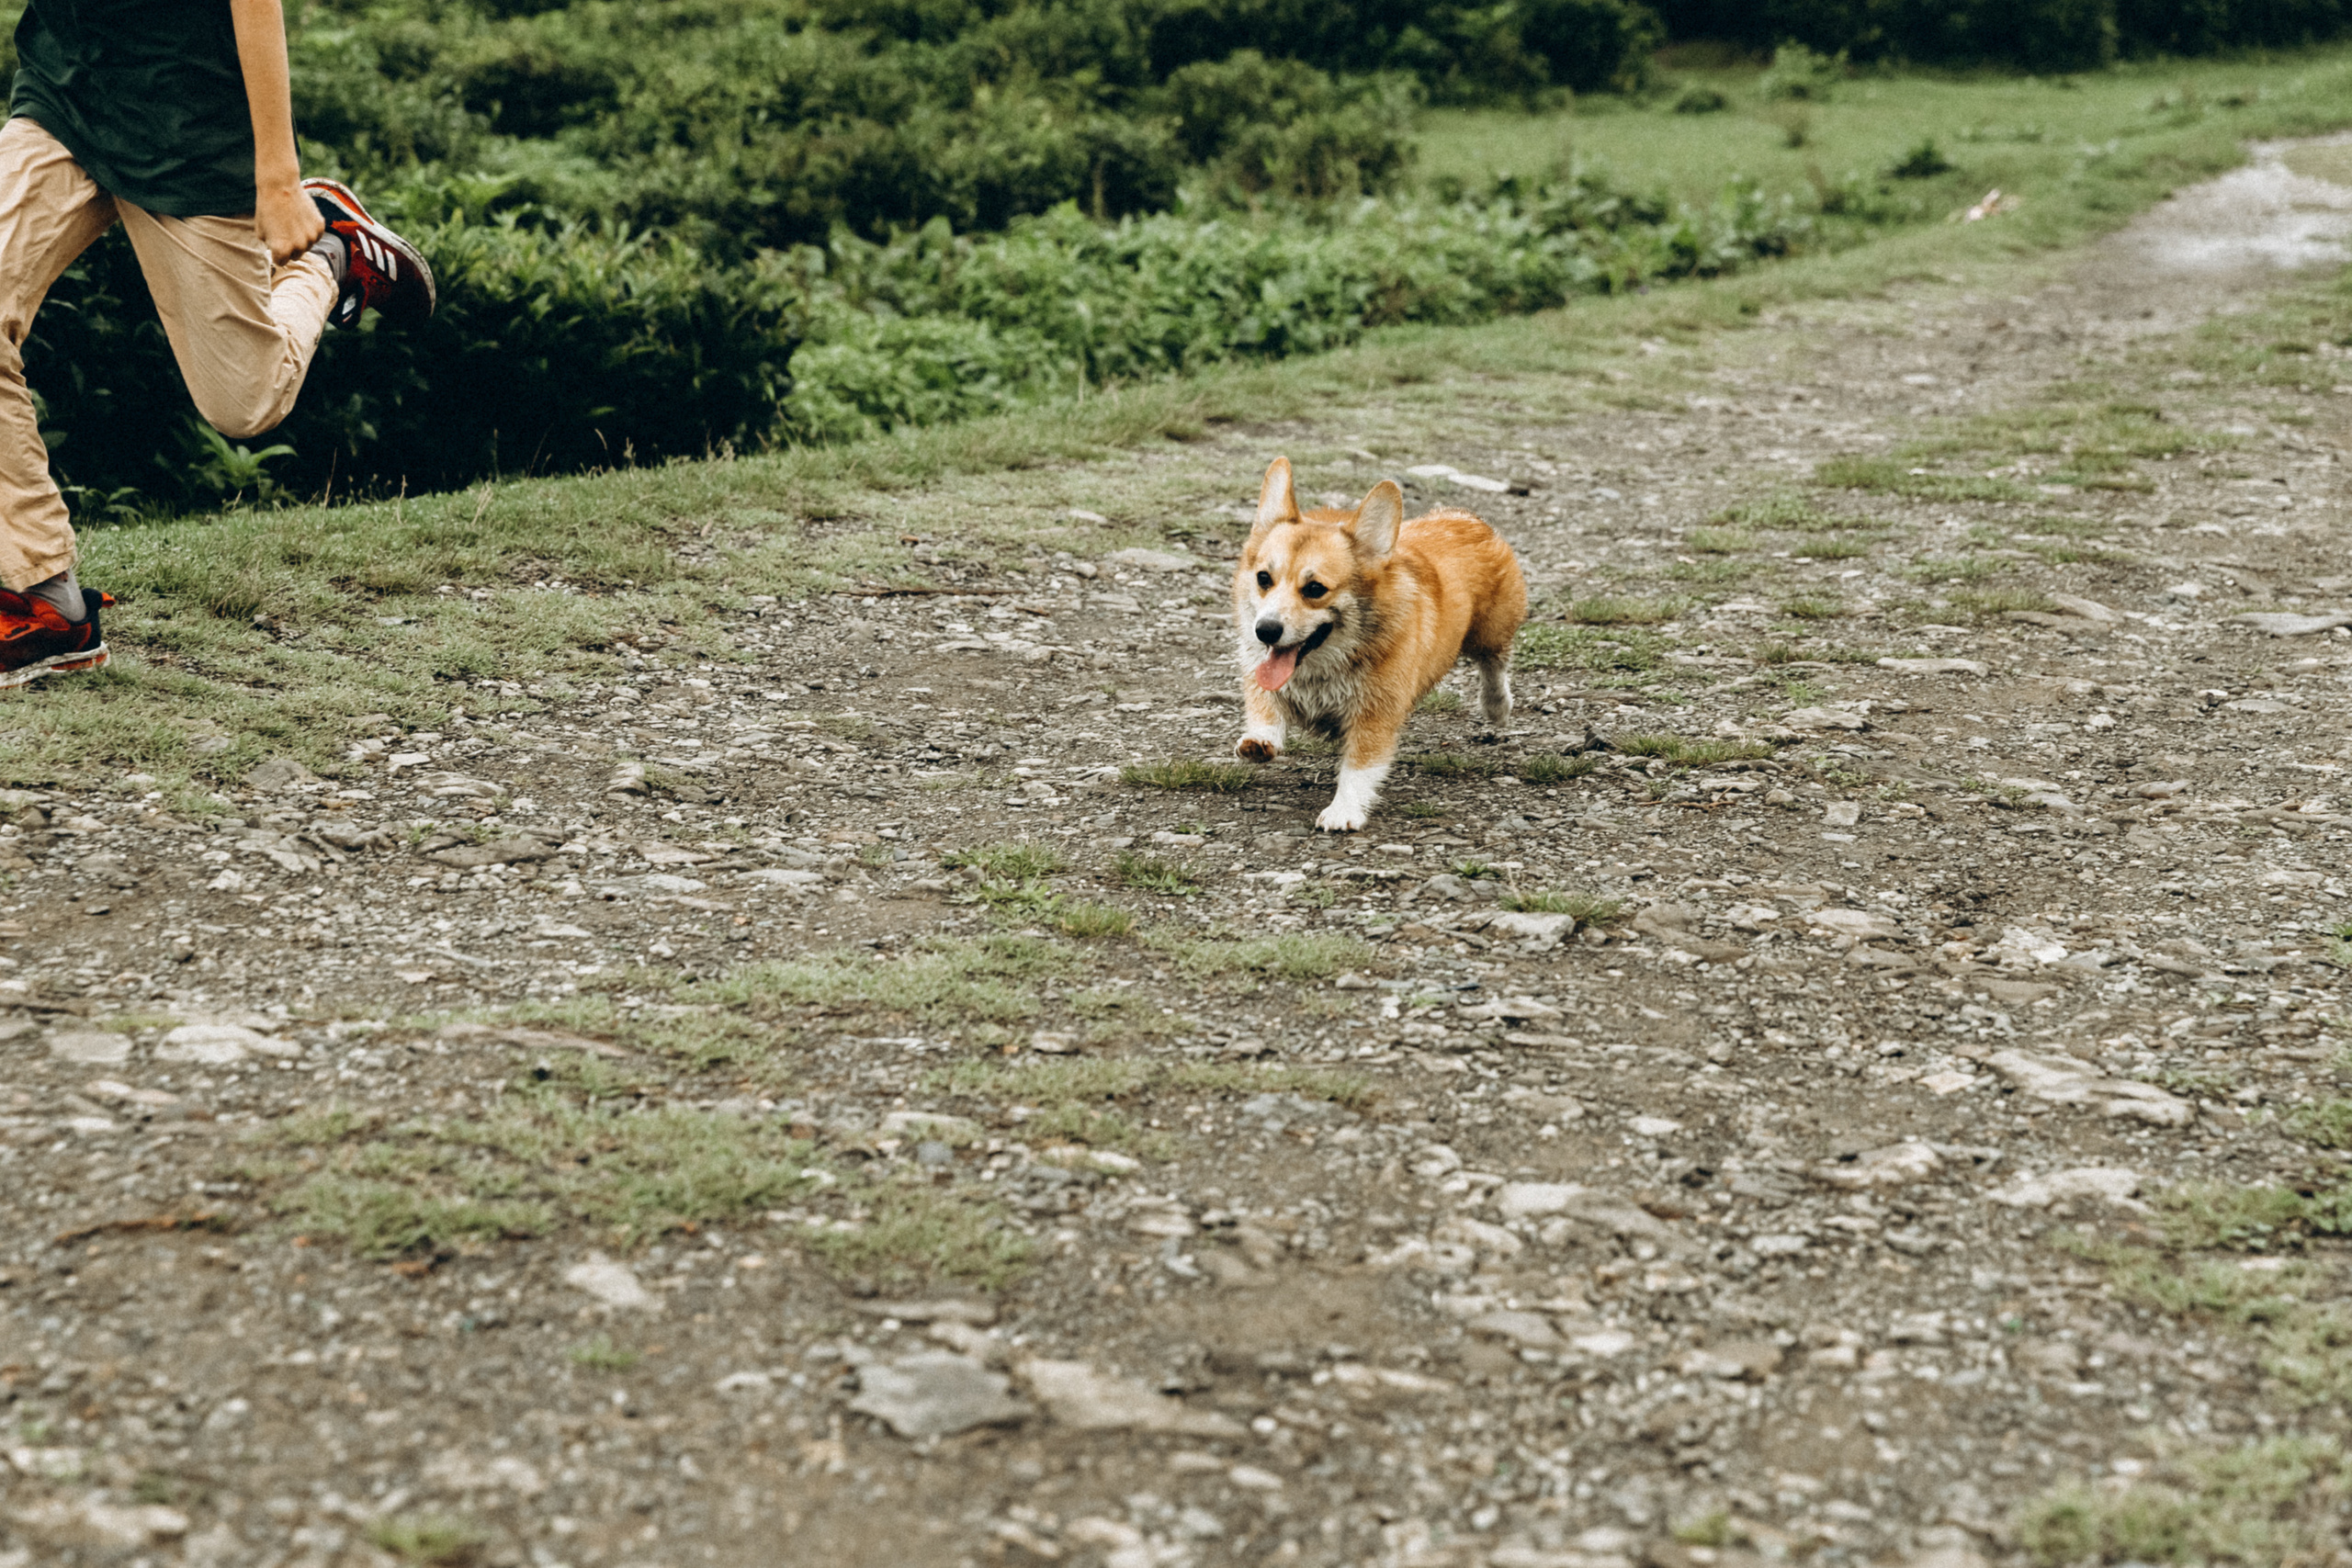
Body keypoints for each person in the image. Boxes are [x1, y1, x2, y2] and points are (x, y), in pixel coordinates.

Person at [0, 0, 434, 687]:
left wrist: (280, 181)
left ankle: (327, 256)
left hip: (191, 128)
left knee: (245, 401)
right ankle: (46, 599)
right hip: (67, 94)